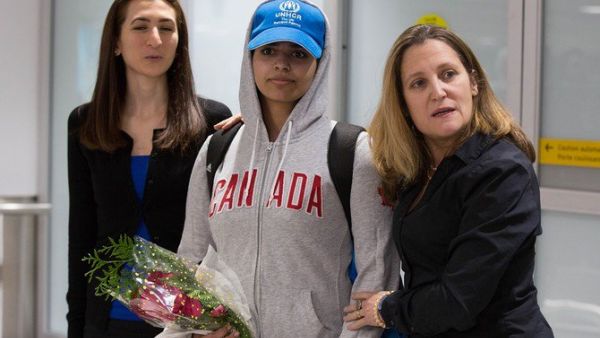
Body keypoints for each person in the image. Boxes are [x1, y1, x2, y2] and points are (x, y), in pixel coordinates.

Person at [177, 1, 400, 337]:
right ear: (249, 57)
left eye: (298, 53)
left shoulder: (352, 152)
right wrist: (197, 328)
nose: (281, 64)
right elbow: (190, 262)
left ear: (319, 62)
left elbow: (375, 275)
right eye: (268, 50)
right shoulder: (217, 150)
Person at [342, 24, 553, 337]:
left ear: (474, 83)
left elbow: (457, 301)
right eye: (418, 83)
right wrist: (250, 130)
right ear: (403, 104)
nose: (438, 92)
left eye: (448, 74)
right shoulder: (416, 168)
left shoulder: (502, 172)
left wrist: (386, 309)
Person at [66, 1, 232, 337]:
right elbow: (81, 235)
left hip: (187, 323)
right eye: (141, 26)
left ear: (179, 41)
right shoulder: (86, 124)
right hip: (108, 319)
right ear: (115, 41)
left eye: (166, 28)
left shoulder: (212, 122)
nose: (154, 39)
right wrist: (77, 326)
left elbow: (225, 234)